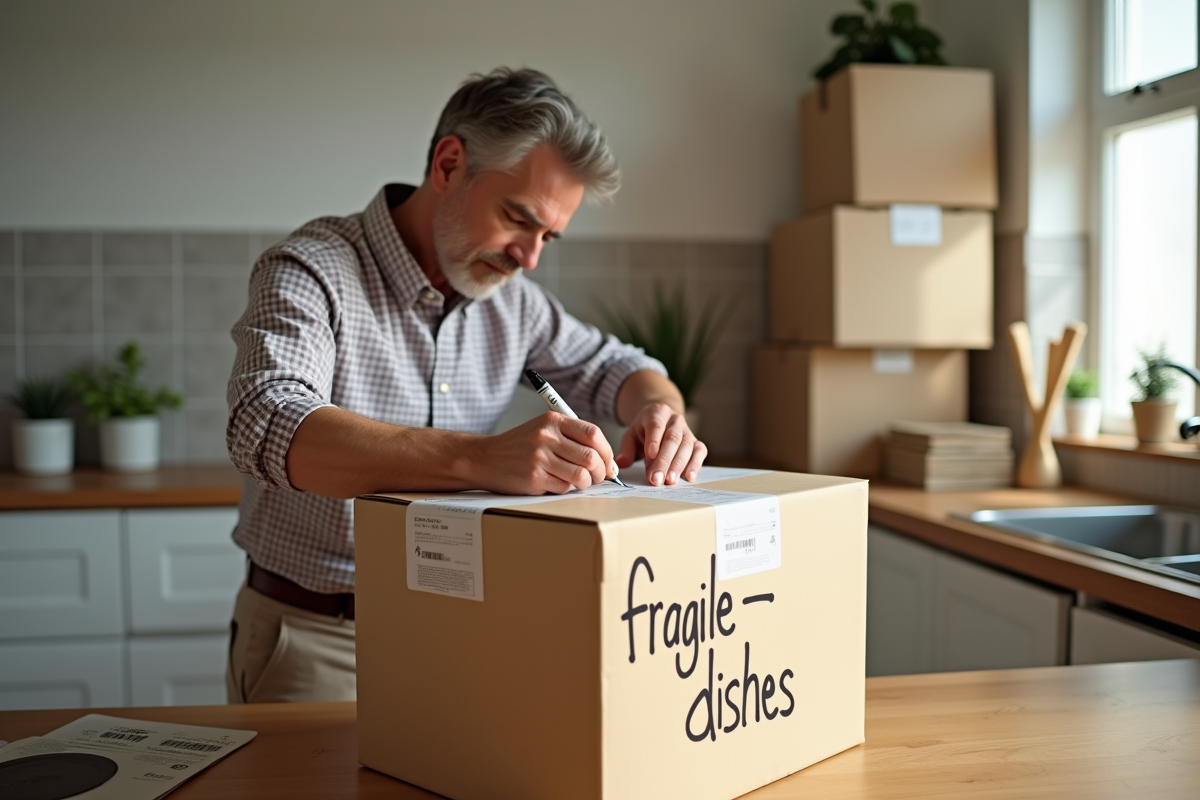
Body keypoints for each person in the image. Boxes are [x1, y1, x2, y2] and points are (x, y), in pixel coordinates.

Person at [224, 67, 707, 704]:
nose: (529, 257)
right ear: (449, 164)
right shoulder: (313, 269)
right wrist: (481, 458)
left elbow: (621, 368)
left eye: (549, 237)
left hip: (462, 632)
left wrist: (661, 411)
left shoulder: (517, 305)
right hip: (317, 639)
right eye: (517, 218)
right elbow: (267, 422)